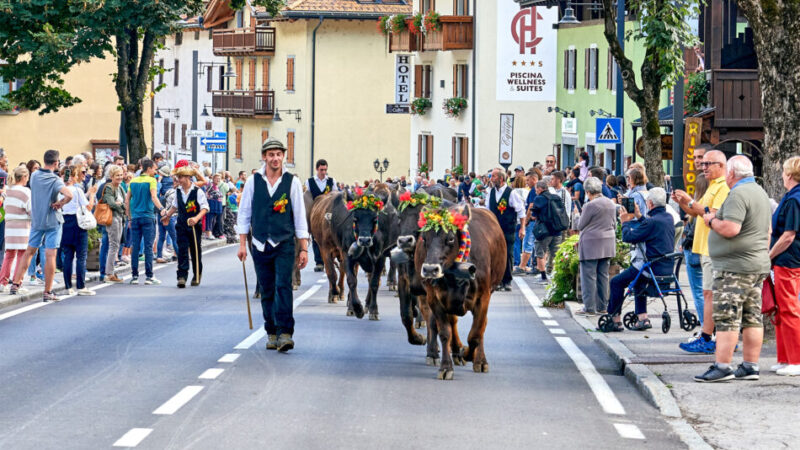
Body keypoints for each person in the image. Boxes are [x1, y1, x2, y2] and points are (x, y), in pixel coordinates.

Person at [694, 155, 770, 382]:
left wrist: (711, 221)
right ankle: (750, 366)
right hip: (755, 264)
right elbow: (766, 231)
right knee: (752, 317)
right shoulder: (760, 192)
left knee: (727, 317)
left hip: (734, 268)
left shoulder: (737, 194)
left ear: (732, 173)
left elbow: (731, 228)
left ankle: (723, 367)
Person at [237, 138, 309, 353]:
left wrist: (303, 248)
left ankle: (285, 332)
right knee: (267, 290)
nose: (275, 158)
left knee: (283, 286)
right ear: (264, 157)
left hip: (284, 242)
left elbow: (299, 217)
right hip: (259, 244)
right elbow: (244, 214)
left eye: (278, 154)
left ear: (283, 156)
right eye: (271, 154)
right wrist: (242, 244)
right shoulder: (253, 181)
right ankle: (272, 332)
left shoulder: (292, 182)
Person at [672, 149, 729, 354]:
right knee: (707, 293)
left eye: (707, 164)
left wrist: (689, 200)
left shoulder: (722, 187)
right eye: (702, 164)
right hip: (704, 247)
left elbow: (711, 214)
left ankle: (708, 337)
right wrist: (683, 203)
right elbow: (698, 212)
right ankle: (714, 336)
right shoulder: (712, 186)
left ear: (721, 166)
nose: (703, 167)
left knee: (710, 294)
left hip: (712, 248)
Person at [604, 188, 675, 331]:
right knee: (638, 282)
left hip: (650, 267)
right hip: (665, 266)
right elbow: (650, 227)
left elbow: (628, 237)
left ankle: (615, 319)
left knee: (616, 282)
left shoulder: (652, 222)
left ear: (650, 203)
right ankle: (643, 318)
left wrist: (624, 222)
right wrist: (639, 215)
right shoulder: (668, 218)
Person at [9, 150, 73, 302]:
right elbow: (69, 195)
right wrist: (60, 203)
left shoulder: (35, 175)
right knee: (50, 254)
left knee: (29, 251)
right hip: (52, 219)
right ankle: (48, 291)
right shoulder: (55, 179)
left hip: (37, 219)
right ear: (56, 163)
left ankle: (16, 283)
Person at [767, 156, 800, 376]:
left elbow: (788, 235)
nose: (781, 175)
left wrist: (768, 256)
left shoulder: (794, 199)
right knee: (782, 310)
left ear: (789, 174)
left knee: (789, 309)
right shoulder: (791, 197)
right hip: (785, 260)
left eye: (783, 171)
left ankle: (795, 360)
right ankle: (785, 357)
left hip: (787, 260)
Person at [162, 161, 208, 288]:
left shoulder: (197, 191)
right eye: (178, 177)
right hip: (181, 224)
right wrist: (167, 216)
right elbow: (174, 206)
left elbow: (205, 208)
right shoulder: (178, 191)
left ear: (188, 177)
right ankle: (181, 276)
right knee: (182, 250)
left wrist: (196, 218)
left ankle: (197, 275)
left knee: (195, 250)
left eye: (181, 177)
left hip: (194, 226)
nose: (179, 180)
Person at [576, 177, 617, 315]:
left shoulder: (589, 205)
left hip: (591, 243)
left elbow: (580, 225)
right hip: (608, 242)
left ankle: (589, 307)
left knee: (588, 276)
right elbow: (614, 224)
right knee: (603, 276)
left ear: (588, 192)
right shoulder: (610, 203)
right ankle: (602, 306)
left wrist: (577, 215)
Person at [125, 158, 165, 285]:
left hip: (135, 217)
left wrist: (129, 217)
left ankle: (134, 276)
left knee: (135, 246)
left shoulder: (133, 181)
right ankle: (149, 276)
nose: (155, 171)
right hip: (148, 216)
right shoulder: (151, 180)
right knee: (148, 247)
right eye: (154, 168)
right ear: (148, 169)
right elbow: (153, 197)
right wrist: (162, 209)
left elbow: (127, 200)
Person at [60, 165, 98, 295]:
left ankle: (68, 286)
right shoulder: (77, 190)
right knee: (81, 256)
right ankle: (81, 286)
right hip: (78, 223)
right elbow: (88, 207)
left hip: (64, 222)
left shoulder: (59, 190)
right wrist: (92, 194)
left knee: (68, 256)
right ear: (73, 176)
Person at [487, 168, 526, 291]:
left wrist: (522, 228)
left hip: (508, 229)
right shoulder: (490, 192)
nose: (491, 179)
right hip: (494, 230)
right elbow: (487, 210)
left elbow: (521, 211)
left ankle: (507, 280)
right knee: (495, 255)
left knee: (507, 254)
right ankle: (497, 280)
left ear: (501, 178)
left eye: (493, 176)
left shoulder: (511, 193)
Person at [682, 174, 709, 326]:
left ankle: (705, 325)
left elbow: (692, 231)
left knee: (699, 291)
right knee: (709, 291)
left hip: (694, 250)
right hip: (707, 250)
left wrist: (685, 241)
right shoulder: (710, 204)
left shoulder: (698, 206)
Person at [0, 166, 31, 290]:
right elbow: (30, 210)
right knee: (22, 255)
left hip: (9, 226)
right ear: (24, 177)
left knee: (9, 254)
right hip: (22, 226)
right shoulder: (25, 191)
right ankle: (18, 282)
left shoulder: (7, 190)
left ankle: (3, 282)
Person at [304, 159, 338, 272]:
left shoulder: (332, 181)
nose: (324, 172)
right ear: (317, 169)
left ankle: (330, 257)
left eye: (325, 170)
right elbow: (307, 198)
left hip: (328, 211)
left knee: (330, 234)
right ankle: (319, 262)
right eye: (321, 170)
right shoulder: (309, 181)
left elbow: (335, 195)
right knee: (316, 236)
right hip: (315, 211)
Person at [530, 180, 561, 284]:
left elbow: (533, 216)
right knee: (555, 254)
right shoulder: (556, 197)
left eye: (536, 189)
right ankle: (557, 276)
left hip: (543, 231)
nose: (535, 192)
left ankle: (543, 277)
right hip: (557, 230)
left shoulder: (539, 198)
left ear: (540, 188)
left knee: (540, 253)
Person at [102, 165, 126, 283]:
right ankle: (109, 274)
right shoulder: (109, 188)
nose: (120, 177)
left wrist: (121, 205)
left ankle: (110, 272)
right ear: (111, 176)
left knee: (115, 245)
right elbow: (111, 203)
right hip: (112, 219)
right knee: (113, 245)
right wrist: (121, 206)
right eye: (117, 175)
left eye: (121, 175)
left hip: (119, 218)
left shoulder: (121, 188)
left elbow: (126, 203)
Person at [517, 171, 540, 274]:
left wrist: (525, 221)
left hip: (531, 221)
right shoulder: (538, 189)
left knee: (528, 243)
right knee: (535, 244)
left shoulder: (533, 191)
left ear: (534, 179)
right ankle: (535, 266)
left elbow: (531, 206)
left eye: (528, 180)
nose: (526, 182)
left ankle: (522, 266)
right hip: (538, 221)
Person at [156, 164, 177, 264]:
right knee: (174, 236)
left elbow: (155, 195)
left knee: (161, 237)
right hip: (170, 215)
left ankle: (159, 256)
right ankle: (179, 256)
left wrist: (159, 182)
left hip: (160, 213)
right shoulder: (172, 186)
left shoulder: (160, 186)